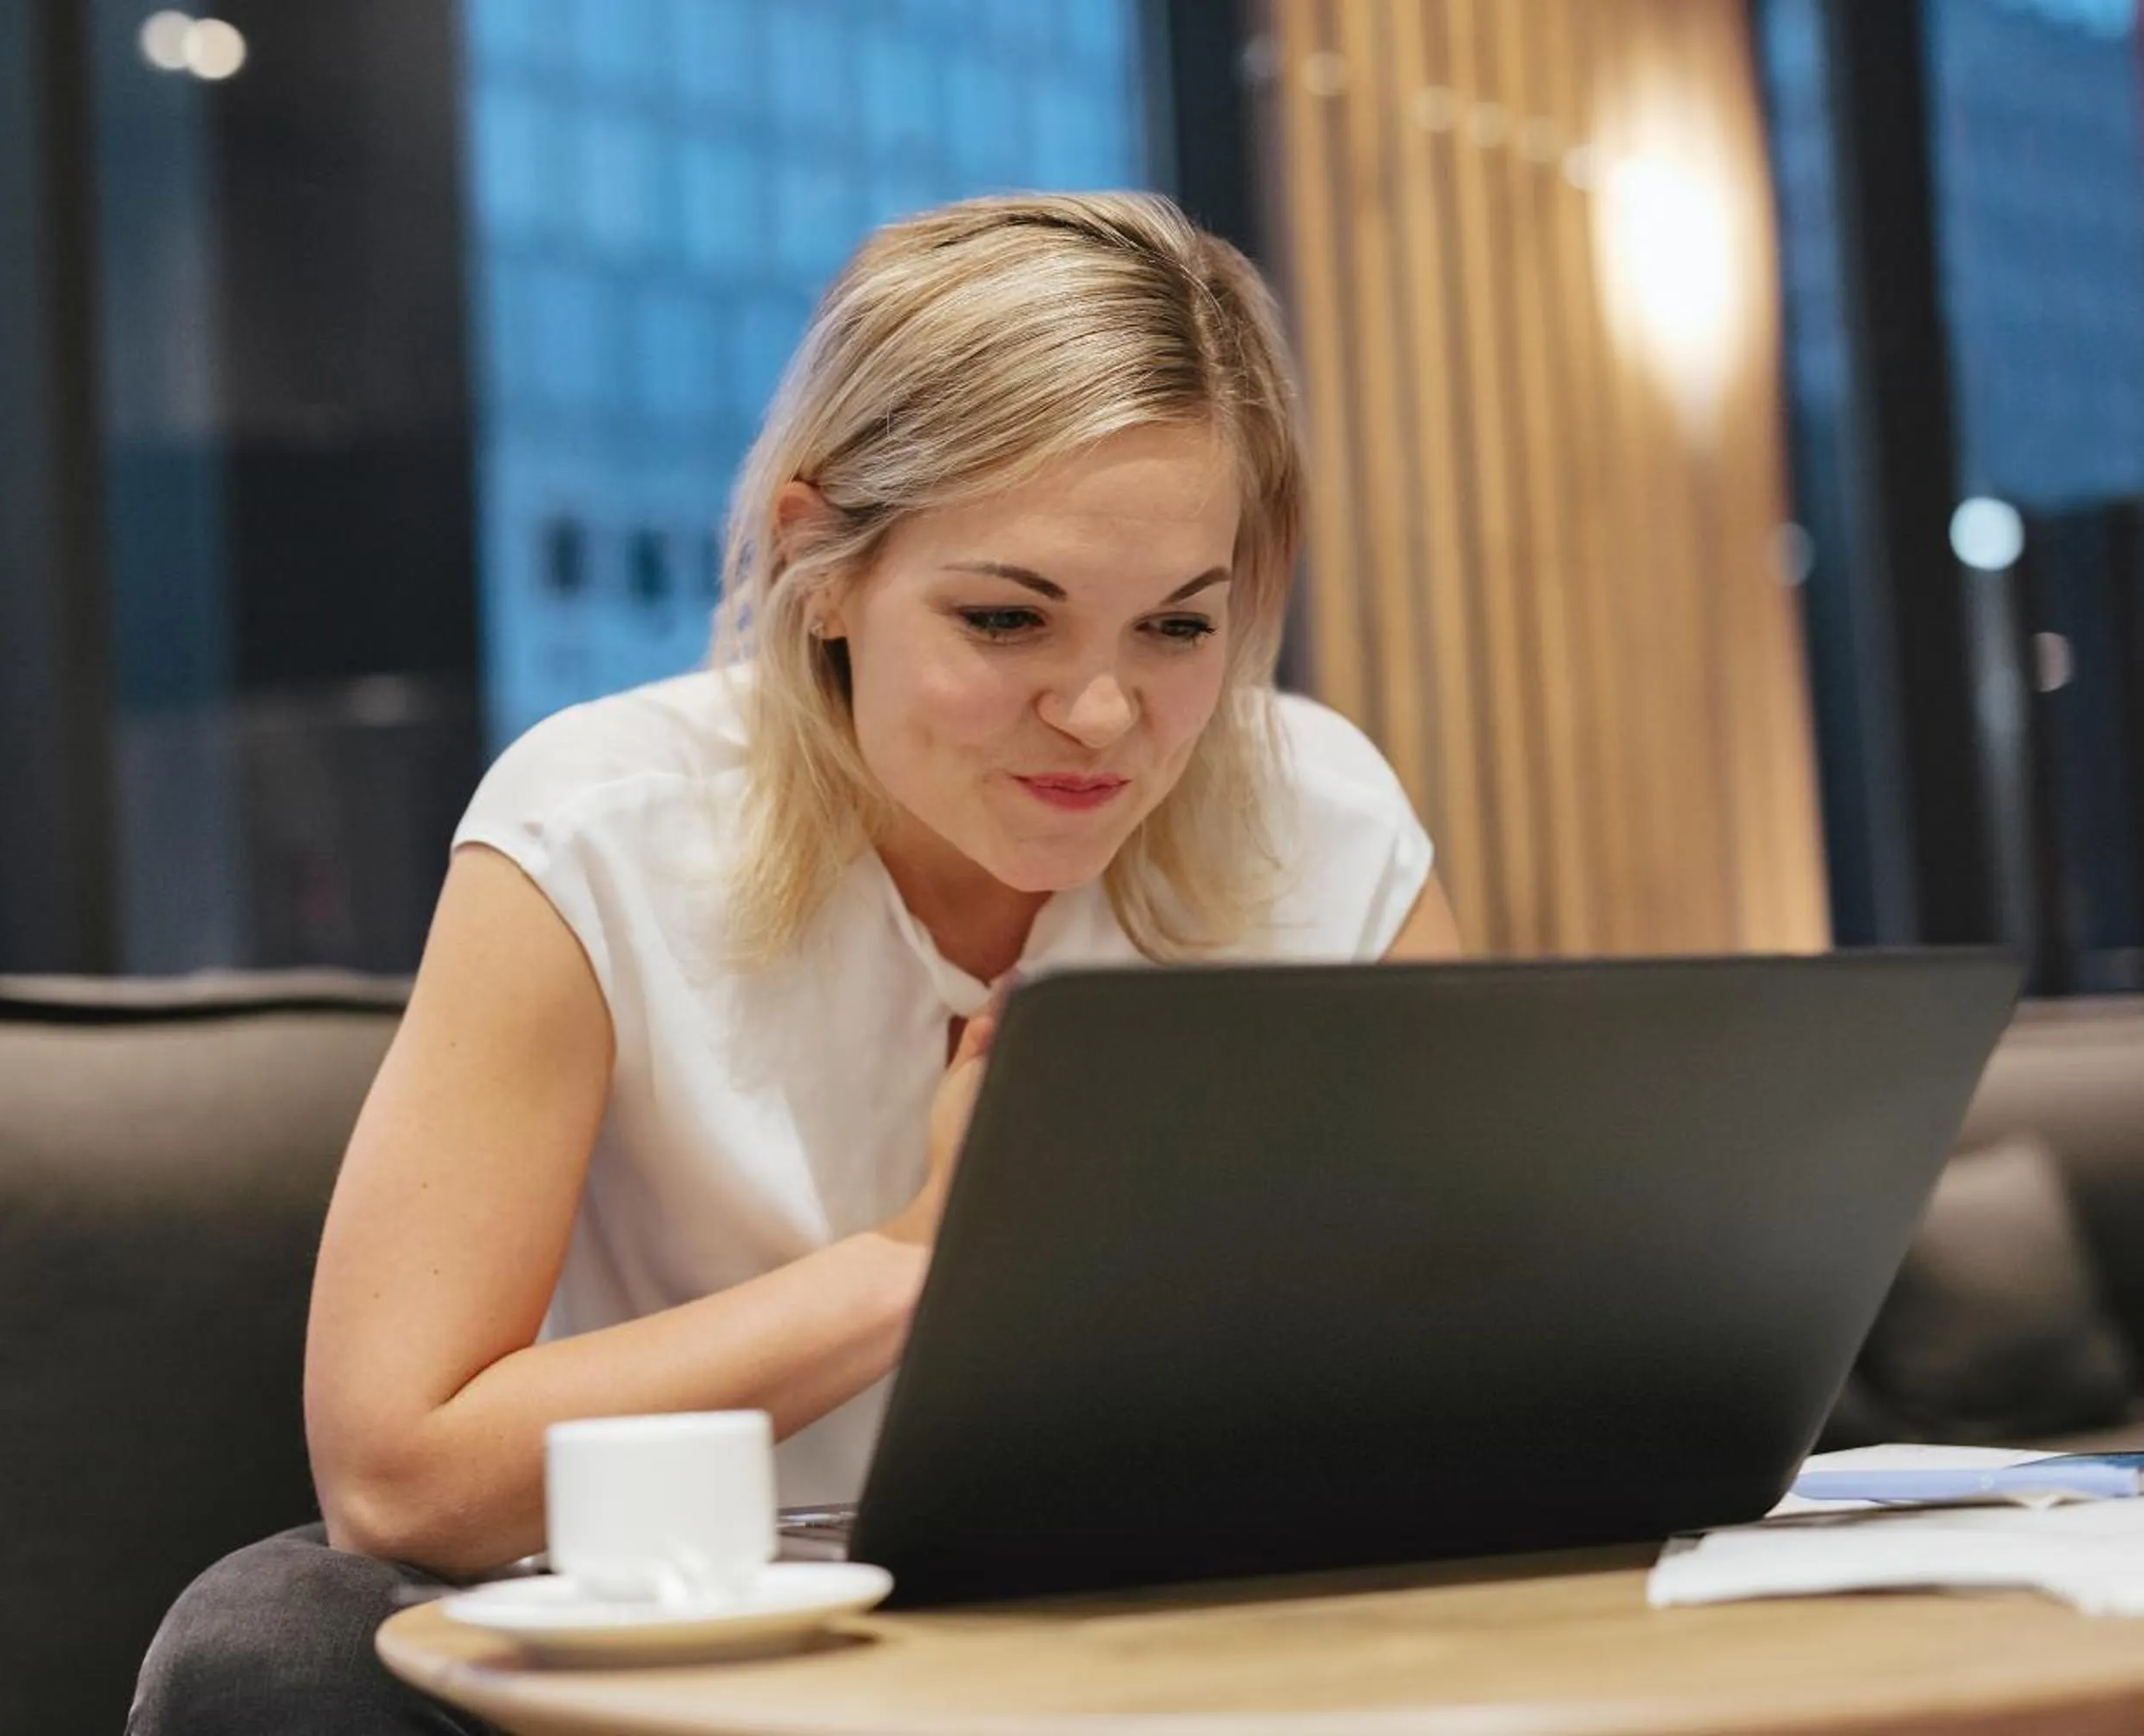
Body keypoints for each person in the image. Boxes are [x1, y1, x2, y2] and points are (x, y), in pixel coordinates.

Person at [130, 189, 1461, 1734]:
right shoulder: (602, 829)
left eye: (1178, 630)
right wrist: (929, 1255)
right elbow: (397, 1474)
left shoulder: (1321, 817)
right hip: (707, 1665)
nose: (1103, 715)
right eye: (1008, 619)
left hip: (1183, 1643)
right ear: (821, 565)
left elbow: (1468, 1352)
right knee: (269, 1651)